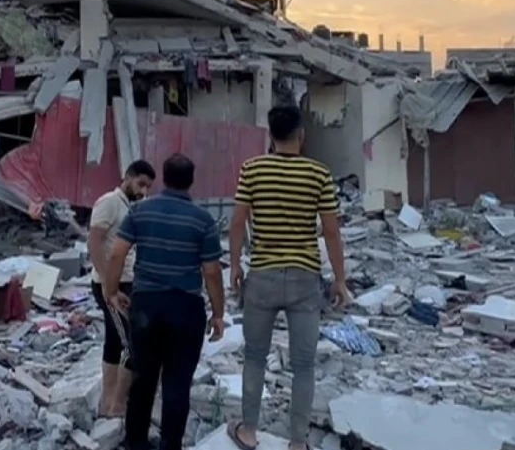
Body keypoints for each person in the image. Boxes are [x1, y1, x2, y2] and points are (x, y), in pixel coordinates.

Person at [227, 105, 351, 450]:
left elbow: (237, 222)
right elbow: (331, 232)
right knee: (303, 365)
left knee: (254, 356)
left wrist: (235, 265)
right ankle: (297, 443)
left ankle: (249, 431)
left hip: (263, 275)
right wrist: (339, 279)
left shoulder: (252, 170)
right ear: (301, 135)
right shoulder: (319, 174)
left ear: (270, 135)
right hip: (304, 278)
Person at [104, 154, 226, 450]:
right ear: (191, 182)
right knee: (178, 381)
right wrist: (218, 314)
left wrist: (111, 290)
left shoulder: (140, 212)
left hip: (146, 306)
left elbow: (118, 252)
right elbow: (211, 271)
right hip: (185, 309)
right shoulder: (203, 219)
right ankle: (170, 445)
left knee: (143, 378)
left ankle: (135, 441)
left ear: (164, 178)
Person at [88, 159, 156, 418]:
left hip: (125, 282)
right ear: (127, 177)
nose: (143, 191)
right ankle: (114, 404)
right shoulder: (109, 203)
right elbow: (94, 244)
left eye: (148, 187)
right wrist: (109, 285)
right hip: (110, 283)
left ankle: (111, 403)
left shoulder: (130, 206)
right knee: (129, 343)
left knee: (116, 340)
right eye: (140, 184)